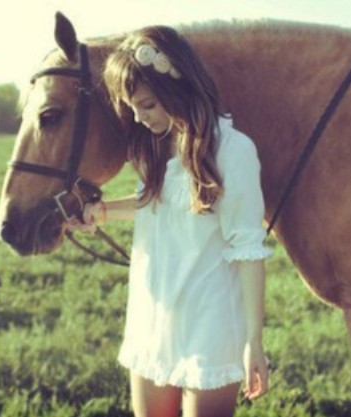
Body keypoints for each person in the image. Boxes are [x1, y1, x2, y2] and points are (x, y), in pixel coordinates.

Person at [72, 25, 271, 417]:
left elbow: (248, 250)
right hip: (152, 315)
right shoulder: (158, 146)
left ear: (177, 87)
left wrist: (253, 340)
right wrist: (102, 210)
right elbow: (156, 203)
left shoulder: (233, 150)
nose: (139, 117)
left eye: (147, 105)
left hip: (209, 324)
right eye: (132, 108)